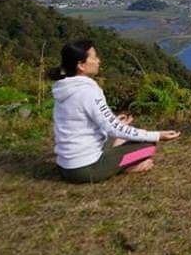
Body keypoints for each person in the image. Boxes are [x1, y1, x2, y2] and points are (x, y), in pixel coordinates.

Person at [50, 39, 182, 184]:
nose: (98, 61)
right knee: (148, 146)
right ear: (81, 65)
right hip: (86, 169)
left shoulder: (65, 88)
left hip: (66, 166)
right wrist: (157, 135)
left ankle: (116, 157)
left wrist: (115, 122)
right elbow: (113, 128)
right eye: (94, 57)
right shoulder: (88, 91)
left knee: (119, 136)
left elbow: (83, 122)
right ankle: (126, 168)